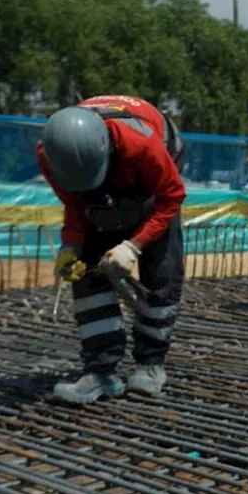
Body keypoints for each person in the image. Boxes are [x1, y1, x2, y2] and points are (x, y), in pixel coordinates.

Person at [37, 95, 187, 403]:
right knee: (87, 269)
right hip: (109, 170)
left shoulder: (141, 145)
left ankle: (150, 365)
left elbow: (171, 197)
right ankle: (101, 372)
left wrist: (134, 246)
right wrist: (71, 244)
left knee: (162, 270)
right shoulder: (52, 155)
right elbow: (76, 203)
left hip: (153, 177)